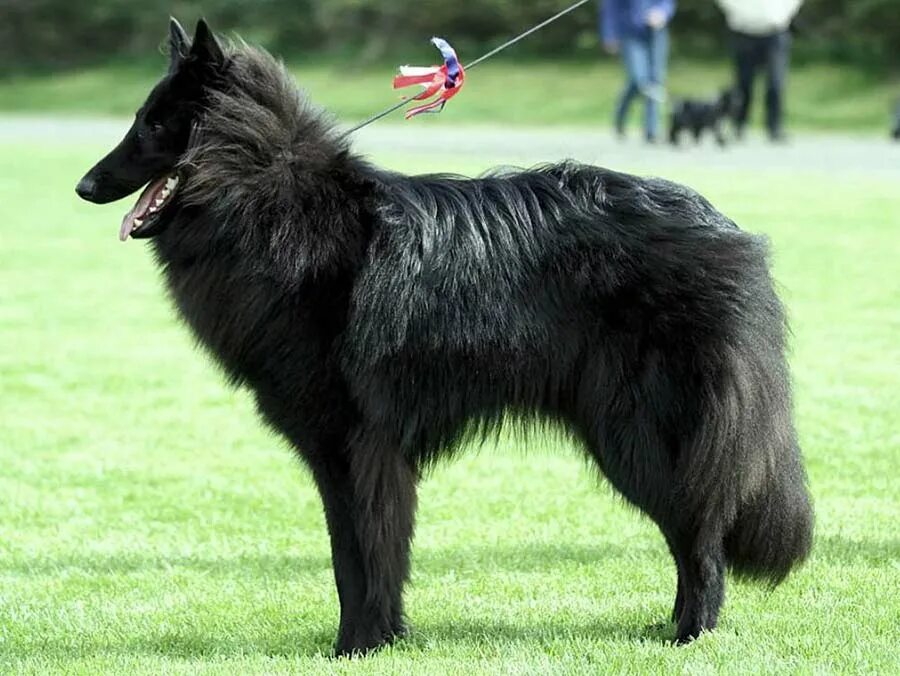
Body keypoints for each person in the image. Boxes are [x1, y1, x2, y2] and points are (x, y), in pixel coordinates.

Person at [715, 0, 804, 142]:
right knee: (743, 83)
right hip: (744, 30)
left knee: (776, 83)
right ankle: (739, 126)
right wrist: (739, 13)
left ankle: (774, 128)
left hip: (775, 31)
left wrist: (782, 14)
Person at [600, 0, 676, 143]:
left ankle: (651, 130)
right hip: (630, 33)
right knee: (637, 80)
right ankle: (620, 118)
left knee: (655, 81)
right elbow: (610, 8)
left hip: (656, 33)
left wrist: (662, 13)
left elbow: (667, 2)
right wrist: (609, 35)